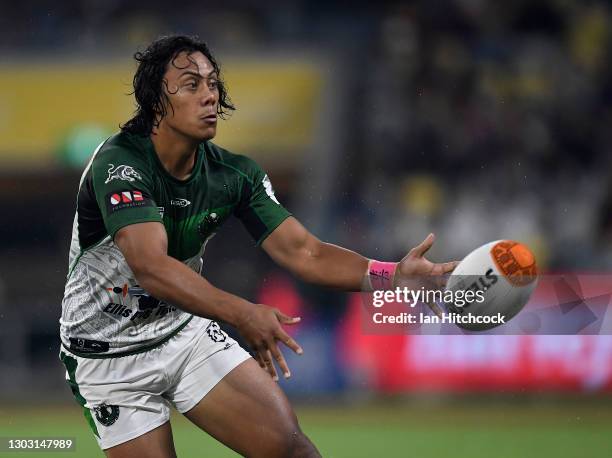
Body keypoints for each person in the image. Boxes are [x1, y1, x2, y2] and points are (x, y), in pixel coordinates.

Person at [59, 35, 457, 458]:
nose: (209, 95)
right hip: (107, 356)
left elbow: (306, 252)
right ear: (156, 100)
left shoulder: (234, 174)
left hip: (182, 333)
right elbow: (151, 267)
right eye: (192, 85)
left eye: (213, 84)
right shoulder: (120, 166)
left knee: (292, 451)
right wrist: (242, 312)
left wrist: (390, 274)